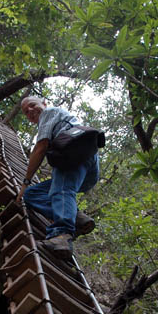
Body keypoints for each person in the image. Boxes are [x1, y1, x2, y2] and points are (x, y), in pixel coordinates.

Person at [16, 96, 99, 260]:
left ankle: (61, 235)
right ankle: (75, 216)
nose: (30, 111)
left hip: (73, 152)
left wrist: (25, 182)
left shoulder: (49, 112)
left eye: (32, 105)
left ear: (44, 104)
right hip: (87, 166)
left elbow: (41, 147)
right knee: (32, 194)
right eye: (26, 112)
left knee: (61, 191)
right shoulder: (57, 118)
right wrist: (26, 190)